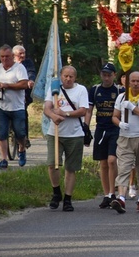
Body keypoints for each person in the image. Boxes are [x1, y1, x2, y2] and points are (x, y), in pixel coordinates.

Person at [43, 65, 89, 211]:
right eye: (65, 76)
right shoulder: (55, 88)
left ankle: (68, 199)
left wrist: (65, 114)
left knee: (71, 168)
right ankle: (56, 192)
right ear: (61, 76)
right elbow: (47, 108)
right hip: (55, 133)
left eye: (71, 76)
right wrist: (53, 116)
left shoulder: (81, 90)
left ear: (75, 78)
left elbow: (83, 110)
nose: (68, 79)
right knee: (52, 163)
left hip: (74, 134)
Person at [110, 71, 139, 213]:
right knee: (124, 167)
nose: (135, 83)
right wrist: (120, 124)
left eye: (138, 81)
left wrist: (133, 107)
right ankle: (121, 198)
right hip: (125, 138)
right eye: (133, 81)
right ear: (128, 82)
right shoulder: (121, 97)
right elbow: (115, 116)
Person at [84, 62, 124, 209]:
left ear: (114, 75)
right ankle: (107, 194)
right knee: (103, 163)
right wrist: (86, 128)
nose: (106, 78)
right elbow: (89, 110)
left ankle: (113, 192)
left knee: (112, 160)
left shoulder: (120, 90)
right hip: (101, 128)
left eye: (109, 75)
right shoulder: (95, 90)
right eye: (104, 75)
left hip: (115, 128)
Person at [12, 45, 36, 149]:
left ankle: (24, 137)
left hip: (24, 93)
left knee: (22, 113)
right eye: (20, 53)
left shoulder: (28, 63)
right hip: (10, 93)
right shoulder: (9, 63)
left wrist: (30, 80)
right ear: (14, 55)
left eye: (24, 53)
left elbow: (31, 72)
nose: (23, 55)